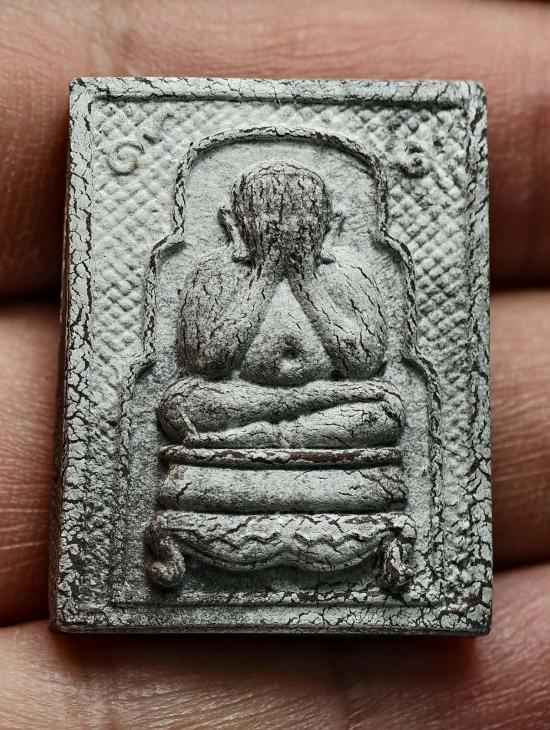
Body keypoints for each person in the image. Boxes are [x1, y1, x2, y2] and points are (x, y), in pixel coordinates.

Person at [0, 0, 549, 727]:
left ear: (329, 227)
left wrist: (308, 281)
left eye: (299, 226)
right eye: (268, 225)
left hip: (322, 416)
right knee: (180, 405)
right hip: (239, 413)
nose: (284, 235)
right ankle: (265, 455)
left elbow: (364, 363)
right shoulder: (215, 276)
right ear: (235, 226)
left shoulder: (347, 278)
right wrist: (263, 277)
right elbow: (204, 359)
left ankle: (303, 457)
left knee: (385, 409)